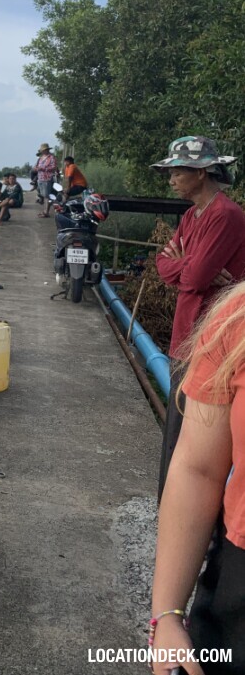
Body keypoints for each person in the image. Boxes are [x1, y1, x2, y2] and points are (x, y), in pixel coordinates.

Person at [150, 281, 245, 675]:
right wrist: (167, 616)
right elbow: (198, 467)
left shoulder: (221, 217)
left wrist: (179, 266)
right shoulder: (237, 320)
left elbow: (192, 271)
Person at [151, 136, 245, 498]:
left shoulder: (225, 215)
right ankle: (168, 505)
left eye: (178, 171)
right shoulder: (192, 215)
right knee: (174, 430)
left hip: (213, 341)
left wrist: (186, 263)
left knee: (195, 436)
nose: (171, 178)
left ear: (202, 172)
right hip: (184, 336)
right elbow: (164, 265)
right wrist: (188, 263)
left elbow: (194, 278)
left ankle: (186, 514)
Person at [34, 143, 59, 218]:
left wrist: (43, 168)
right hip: (40, 178)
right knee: (44, 195)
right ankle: (45, 211)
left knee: (47, 196)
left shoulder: (51, 157)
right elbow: (36, 166)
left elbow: (54, 167)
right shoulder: (41, 158)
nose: (44, 151)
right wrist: (36, 168)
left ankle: (46, 212)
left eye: (45, 150)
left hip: (47, 178)